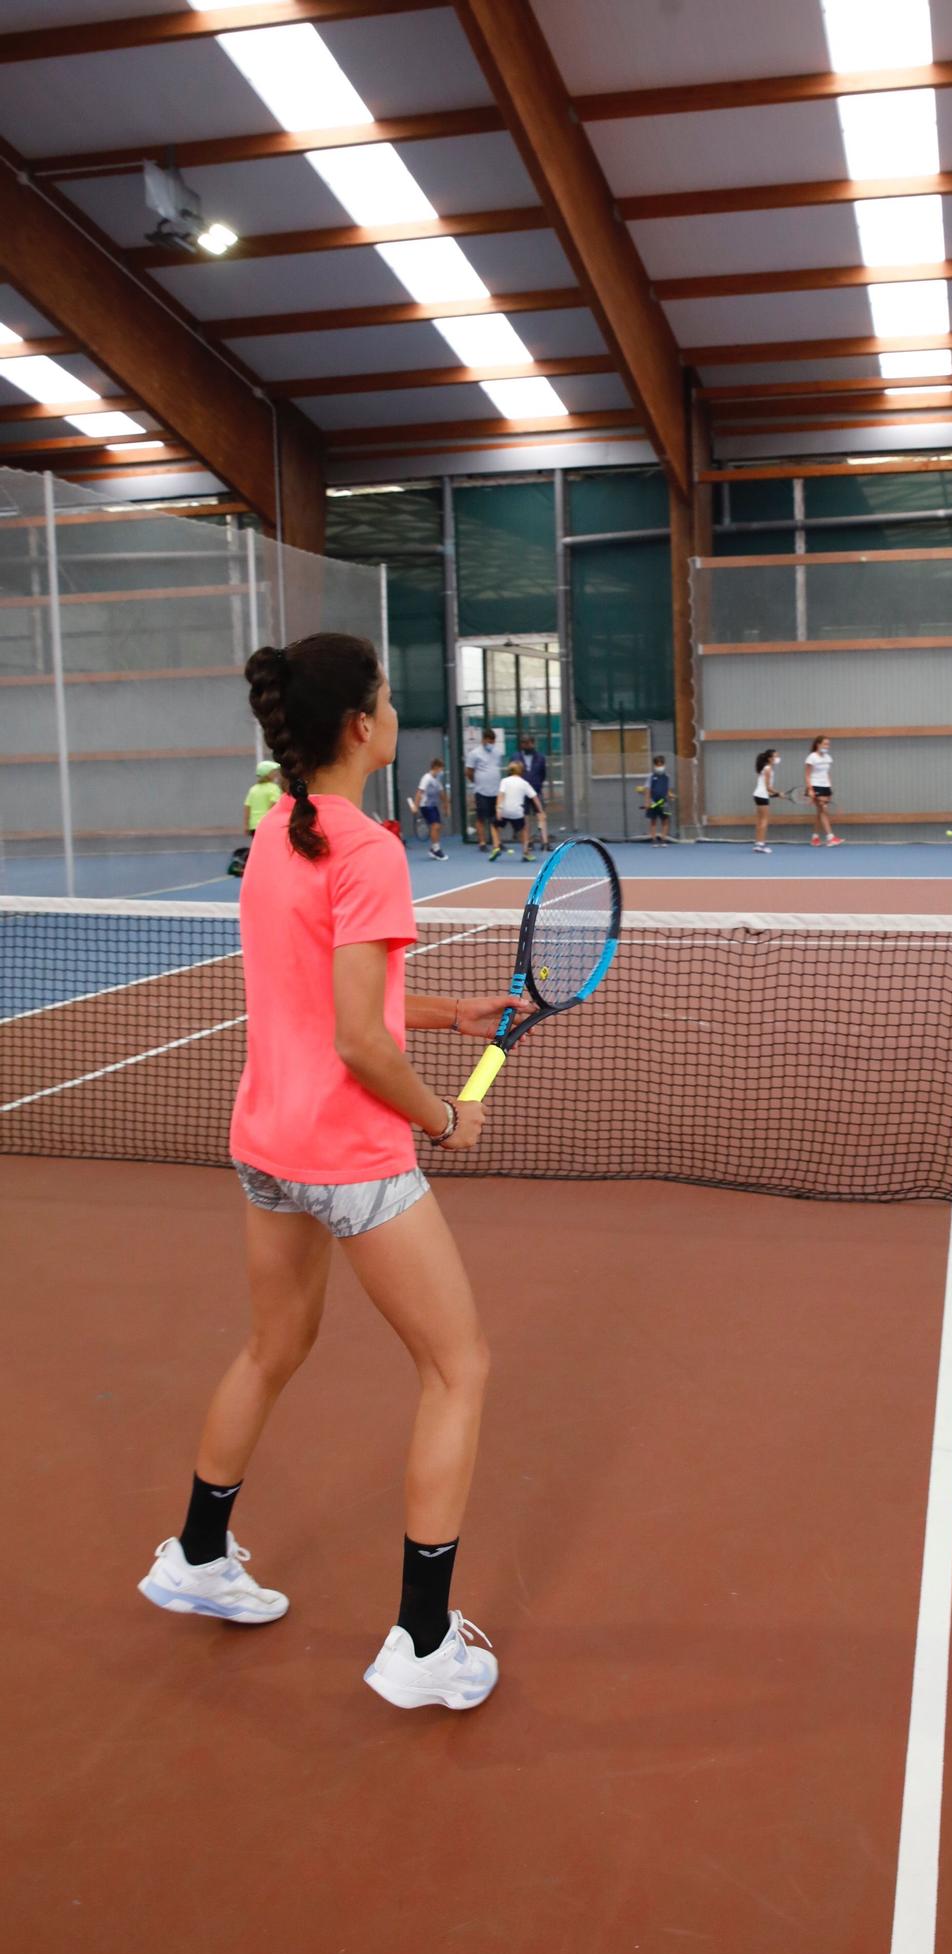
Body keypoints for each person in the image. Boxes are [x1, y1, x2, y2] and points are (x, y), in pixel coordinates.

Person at [138, 631, 533, 1712]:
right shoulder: (368, 849)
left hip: (266, 1146)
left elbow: (332, 995)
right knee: (459, 1366)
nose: (397, 711)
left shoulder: (276, 832)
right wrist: (445, 1116)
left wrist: (454, 1011)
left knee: (274, 1345)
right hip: (351, 1155)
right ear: (363, 726)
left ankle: (197, 1555)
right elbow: (361, 1043)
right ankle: (420, 1643)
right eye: (391, 698)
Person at [231, 759, 282, 876]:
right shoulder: (273, 788)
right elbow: (274, 806)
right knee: (271, 848)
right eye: (274, 772)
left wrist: (246, 825)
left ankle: (253, 868)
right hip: (268, 825)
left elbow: (247, 807)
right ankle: (269, 870)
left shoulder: (253, 790)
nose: (277, 774)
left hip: (254, 825)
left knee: (258, 848)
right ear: (268, 774)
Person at [467, 728, 503, 861]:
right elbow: (469, 771)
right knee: (481, 817)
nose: (491, 743)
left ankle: (496, 843)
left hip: (495, 791)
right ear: (483, 740)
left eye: (493, 741)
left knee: (496, 818)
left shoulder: (497, 752)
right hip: (481, 791)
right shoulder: (474, 754)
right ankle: (482, 842)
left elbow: (497, 767)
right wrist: (478, 782)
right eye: (489, 740)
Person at [494, 759, 538, 863]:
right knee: (524, 830)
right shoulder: (524, 783)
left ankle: (496, 847)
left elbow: (500, 796)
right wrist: (540, 811)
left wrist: (498, 809)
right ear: (522, 771)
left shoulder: (504, 781)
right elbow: (535, 797)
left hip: (504, 811)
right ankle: (526, 853)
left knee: (494, 826)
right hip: (518, 813)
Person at [805, 736, 842, 847]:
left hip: (826, 787)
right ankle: (830, 837)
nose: (827, 746)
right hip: (815, 786)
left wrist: (830, 787)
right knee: (823, 810)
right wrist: (810, 790)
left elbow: (826, 773)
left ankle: (815, 838)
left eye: (828, 744)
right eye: (825, 744)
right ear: (818, 744)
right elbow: (807, 775)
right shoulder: (811, 757)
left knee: (820, 812)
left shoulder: (828, 758)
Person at [415, 757, 448, 862]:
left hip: (433, 805)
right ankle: (436, 849)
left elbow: (442, 793)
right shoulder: (426, 778)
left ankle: (433, 848)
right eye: (441, 769)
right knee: (435, 825)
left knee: (438, 826)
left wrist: (446, 806)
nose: (441, 772)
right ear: (435, 768)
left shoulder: (437, 780)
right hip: (425, 805)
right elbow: (419, 792)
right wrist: (415, 806)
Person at [519, 736, 549, 852]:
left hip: (536, 791)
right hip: (522, 792)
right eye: (524, 743)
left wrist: (537, 784)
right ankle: (529, 841)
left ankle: (545, 842)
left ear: (533, 743)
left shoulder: (540, 758)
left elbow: (543, 774)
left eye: (528, 743)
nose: (526, 745)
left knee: (541, 815)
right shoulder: (516, 757)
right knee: (525, 817)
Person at [752, 748, 783, 855]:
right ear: (770, 759)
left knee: (760, 821)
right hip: (762, 795)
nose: (778, 758)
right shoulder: (768, 769)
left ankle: (758, 844)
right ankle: (761, 845)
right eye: (775, 756)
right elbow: (768, 787)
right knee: (764, 821)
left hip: (758, 795)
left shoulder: (765, 768)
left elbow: (766, 789)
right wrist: (778, 793)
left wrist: (776, 795)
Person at [640, 754, 673, 844]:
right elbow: (647, 790)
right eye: (657, 765)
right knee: (653, 820)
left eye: (661, 764)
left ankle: (663, 839)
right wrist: (647, 802)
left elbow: (668, 789)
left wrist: (670, 795)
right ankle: (654, 839)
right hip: (653, 802)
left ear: (664, 765)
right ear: (654, 765)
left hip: (664, 802)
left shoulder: (667, 777)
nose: (659, 766)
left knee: (665, 821)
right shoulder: (651, 776)